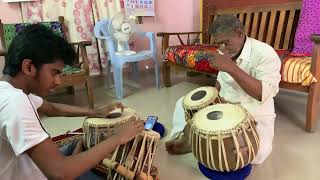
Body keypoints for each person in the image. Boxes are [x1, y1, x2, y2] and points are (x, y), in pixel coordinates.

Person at [0, 24, 144, 180]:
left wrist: (96, 112)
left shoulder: (10, 91)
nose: (58, 81)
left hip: (32, 166)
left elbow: (52, 108)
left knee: (79, 145)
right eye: (54, 72)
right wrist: (117, 137)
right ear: (29, 67)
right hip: (43, 173)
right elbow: (60, 172)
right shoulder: (15, 103)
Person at [165, 15, 281, 165]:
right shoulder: (223, 50)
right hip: (224, 102)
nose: (222, 48)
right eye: (218, 43)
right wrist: (212, 100)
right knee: (183, 103)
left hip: (252, 107)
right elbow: (221, 80)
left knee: (257, 154)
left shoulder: (265, 53)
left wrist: (231, 67)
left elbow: (262, 94)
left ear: (239, 33)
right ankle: (188, 138)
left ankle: (197, 139)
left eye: (226, 42)